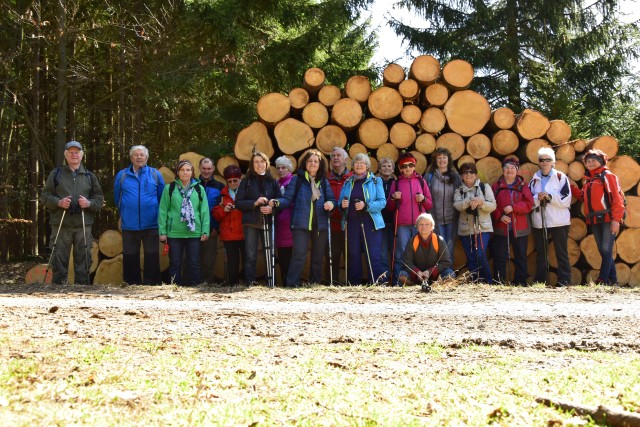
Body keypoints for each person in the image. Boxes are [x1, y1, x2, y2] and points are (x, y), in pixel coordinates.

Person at [41, 141, 104, 284]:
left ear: (82, 155)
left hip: (83, 225)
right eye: (71, 152)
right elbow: (45, 196)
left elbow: (99, 199)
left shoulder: (89, 176)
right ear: (66, 155)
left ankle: (82, 289)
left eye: (77, 152)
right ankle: (58, 290)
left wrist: (89, 204)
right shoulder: (56, 174)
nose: (74, 155)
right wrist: (58, 202)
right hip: (61, 224)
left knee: (84, 260)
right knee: (59, 259)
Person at [272, 150, 335, 287]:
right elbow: (287, 199)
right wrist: (277, 202)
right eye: (310, 161)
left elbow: (331, 199)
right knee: (299, 255)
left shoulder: (323, 181)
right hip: (300, 223)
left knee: (318, 257)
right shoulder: (297, 179)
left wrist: (331, 204)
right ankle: (291, 284)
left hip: (320, 223)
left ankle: (314, 283)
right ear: (305, 163)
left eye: (316, 161)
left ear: (320, 164)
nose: (313, 163)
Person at [114, 145, 165, 285]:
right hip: (129, 224)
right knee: (130, 256)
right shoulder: (122, 175)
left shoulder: (155, 174)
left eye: (142, 155)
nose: (139, 157)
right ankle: (131, 284)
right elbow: (117, 198)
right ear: (131, 158)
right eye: (136, 155)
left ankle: (152, 284)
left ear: (147, 157)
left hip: (151, 223)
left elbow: (162, 198)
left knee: (152, 255)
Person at [158, 160, 210, 286]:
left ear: (192, 172)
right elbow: (163, 211)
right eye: (182, 170)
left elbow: (204, 211)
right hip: (174, 232)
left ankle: (195, 287)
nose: (185, 172)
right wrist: (162, 232)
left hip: (194, 232)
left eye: (188, 170)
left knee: (194, 262)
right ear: (178, 172)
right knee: (175, 262)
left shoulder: (199, 189)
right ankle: (175, 286)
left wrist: (205, 230)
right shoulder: (169, 188)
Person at [339, 153, 387, 285]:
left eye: (362, 163)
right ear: (353, 165)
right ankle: (355, 284)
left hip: (370, 223)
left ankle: (377, 283)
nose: (359, 165)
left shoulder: (376, 181)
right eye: (356, 162)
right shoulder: (348, 182)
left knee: (373, 254)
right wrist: (342, 205)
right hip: (352, 223)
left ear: (367, 166)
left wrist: (366, 206)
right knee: (353, 254)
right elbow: (340, 202)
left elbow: (382, 202)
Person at [386, 152, 433, 285]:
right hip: (402, 224)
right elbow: (389, 207)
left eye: (410, 165)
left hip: (420, 225)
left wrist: (423, 199)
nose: (407, 168)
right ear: (400, 168)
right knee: (401, 253)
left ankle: (422, 280)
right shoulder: (396, 184)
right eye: (404, 166)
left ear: (414, 166)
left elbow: (430, 204)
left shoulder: (421, 182)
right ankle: (399, 280)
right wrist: (394, 197)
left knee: (421, 253)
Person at [528, 147, 572, 287]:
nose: (545, 162)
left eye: (548, 160)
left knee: (561, 253)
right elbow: (528, 201)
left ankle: (564, 281)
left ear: (553, 162)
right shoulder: (534, 180)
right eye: (542, 160)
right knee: (541, 253)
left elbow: (566, 199)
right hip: (540, 222)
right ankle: (541, 281)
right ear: (539, 162)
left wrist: (550, 197)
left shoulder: (560, 177)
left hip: (559, 221)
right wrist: (537, 197)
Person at [580, 149, 625, 286]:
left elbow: (617, 199)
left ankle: (602, 279)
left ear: (600, 161)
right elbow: (584, 197)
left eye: (593, 160)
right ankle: (613, 281)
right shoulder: (589, 180)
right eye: (588, 161)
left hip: (608, 218)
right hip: (594, 219)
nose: (590, 163)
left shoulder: (607, 176)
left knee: (606, 249)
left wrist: (616, 220)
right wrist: (570, 188)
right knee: (603, 250)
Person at [235, 151, 280, 285]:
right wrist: (254, 203)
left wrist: (272, 207)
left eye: (262, 161)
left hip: (268, 222)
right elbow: (238, 203)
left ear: (266, 164)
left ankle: (271, 282)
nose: (259, 164)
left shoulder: (273, 182)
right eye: (256, 162)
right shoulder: (246, 182)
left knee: (270, 254)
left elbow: (280, 201)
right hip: (251, 223)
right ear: (252, 165)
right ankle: (250, 283)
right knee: (250, 255)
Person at [491, 157, 534, 286]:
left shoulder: (522, 186)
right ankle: (500, 281)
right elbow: (491, 205)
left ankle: (521, 281)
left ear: (517, 170)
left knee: (521, 256)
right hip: (501, 226)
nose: (509, 170)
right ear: (503, 170)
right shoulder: (496, 187)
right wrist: (500, 216)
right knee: (500, 256)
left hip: (520, 227)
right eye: (507, 168)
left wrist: (514, 208)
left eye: (512, 168)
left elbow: (529, 203)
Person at [453, 162, 496, 283]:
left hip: (483, 228)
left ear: (476, 175)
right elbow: (457, 205)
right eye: (465, 172)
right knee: (471, 258)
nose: (469, 174)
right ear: (461, 176)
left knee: (480, 255)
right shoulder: (459, 191)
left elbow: (493, 205)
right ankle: (476, 282)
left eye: (471, 172)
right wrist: (470, 200)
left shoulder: (484, 187)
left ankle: (488, 282)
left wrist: (480, 203)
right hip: (466, 230)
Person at [424, 147, 462, 265]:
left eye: (444, 157)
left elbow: (461, 195)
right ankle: (438, 276)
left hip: (452, 219)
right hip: (435, 219)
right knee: (437, 248)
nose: (442, 160)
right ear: (435, 160)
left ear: (448, 159)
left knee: (449, 248)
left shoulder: (456, 177)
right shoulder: (429, 177)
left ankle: (448, 276)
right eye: (439, 158)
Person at [397, 213, 455, 286]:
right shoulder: (412, 241)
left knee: (450, 274)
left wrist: (430, 272)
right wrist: (417, 273)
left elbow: (446, 262)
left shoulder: (439, 240)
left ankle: (437, 285)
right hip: (417, 276)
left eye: (427, 224)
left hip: (435, 275)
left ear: (432, 227)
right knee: (402, 274)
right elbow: (407, 262)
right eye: (421, 224)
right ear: (417, 227)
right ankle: (415, 285)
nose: (423, 227)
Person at [212, 165, 245, 286]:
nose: (232, 183)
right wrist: (224, 210)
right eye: (229, 181)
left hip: (244, 232)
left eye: (235, 180)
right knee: (232, 261)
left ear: (240, 179)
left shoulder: (246, 192)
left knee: (248, 259)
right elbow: (215, 214)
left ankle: (247, 282)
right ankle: (232, 283)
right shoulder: (222, 195)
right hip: (229, 233)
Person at [325, 147, 352, 284]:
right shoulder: (325, 178)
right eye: (333, 156)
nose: (335, 158)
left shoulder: (353, 178)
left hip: (349, 225)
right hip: (332, 224)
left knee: (350, 257)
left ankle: (352, 284)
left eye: (338, 155)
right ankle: (332, 284)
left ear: (345, 160)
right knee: (332, 257)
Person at [197, 158, 223, 283]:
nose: (206, 171)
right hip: (193, 229)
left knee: (209, 259)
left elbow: (221, 210)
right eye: (204, 168)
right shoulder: (193, 184)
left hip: (211, 229)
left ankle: (206, 284)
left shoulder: (220, 187)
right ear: (199, 168)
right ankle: (190, 284)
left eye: (209, 169)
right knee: (192, 258)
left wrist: (216, 229)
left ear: (213, 169)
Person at [274, 156, 295, 284]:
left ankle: (291, 283)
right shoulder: (277, 184)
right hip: (279, 227)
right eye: (278, 168)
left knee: (291, 257)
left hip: (291, 225)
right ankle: (284, 283)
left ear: (289, 169)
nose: (280, 170)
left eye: (283, 167)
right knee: (283, 258)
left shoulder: (293, 182)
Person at [377, 157, 396, 277]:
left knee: (394, 252)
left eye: (389, 166)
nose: (386, 168)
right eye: (384, 166)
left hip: (394, 222)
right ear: (379, 169)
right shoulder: (375, 182)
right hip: (381, 222)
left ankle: (395, 279)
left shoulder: (397, 183)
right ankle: (385, 279)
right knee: (383, 253)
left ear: (393, 169)